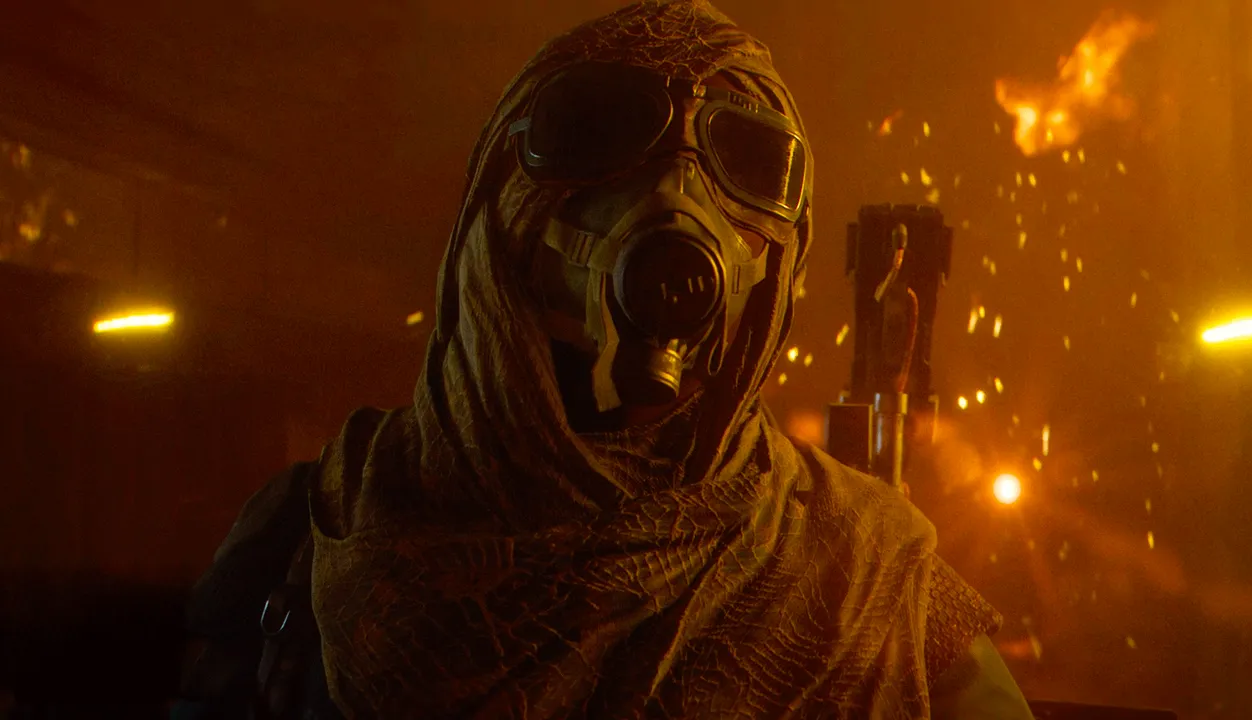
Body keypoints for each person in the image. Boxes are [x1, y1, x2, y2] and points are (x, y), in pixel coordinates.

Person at [174, 1, 1035, 717]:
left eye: (743, 161)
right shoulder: (309, 538)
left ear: (777, 257)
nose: (674, 197)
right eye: (597, 133)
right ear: (500, 207)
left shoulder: (870, 584)